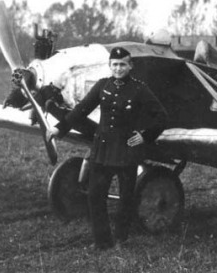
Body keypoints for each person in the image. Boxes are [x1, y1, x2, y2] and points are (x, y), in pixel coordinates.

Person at [48, 47, 168, 250]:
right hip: (102, 149)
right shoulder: (102, 86)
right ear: (109, 66)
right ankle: (102, 241)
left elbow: (161, 116)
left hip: (127, 151)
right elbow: (81, 110)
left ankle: (122, 239)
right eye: (115, 64)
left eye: (123, 64)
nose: (118, 69)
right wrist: (59, 128)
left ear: (130, 66)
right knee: (95, 196)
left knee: (126, 199)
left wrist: (144, 136)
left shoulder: (139, 89)